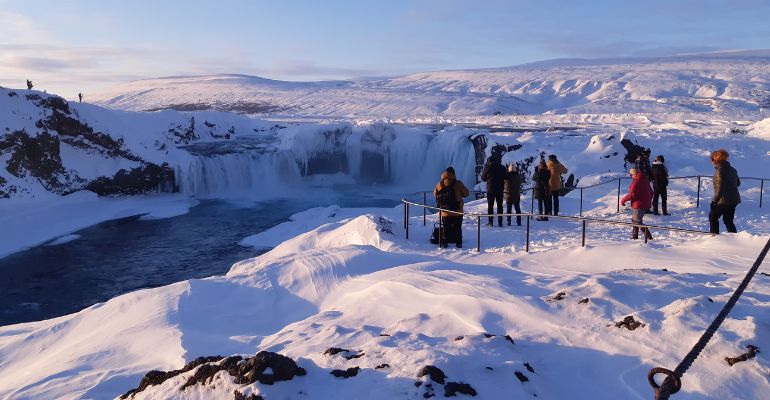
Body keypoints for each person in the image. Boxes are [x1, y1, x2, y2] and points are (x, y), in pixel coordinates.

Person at [433, 167, 470, 248]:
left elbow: (435, 194)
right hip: (457, 211)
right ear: (454, 174)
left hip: (445, 211)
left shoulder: (440, 184)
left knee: (446, 227)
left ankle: (444, 243)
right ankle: (459, 243)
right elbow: (466, 193)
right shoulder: (458, 184)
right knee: (458, 227)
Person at [709, 149, 740, 234]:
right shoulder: (733, 169)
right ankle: (734, 239)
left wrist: (714, 201)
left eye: (712, 160)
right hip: (734, 199)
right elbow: (738, 183)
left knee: (713, 217)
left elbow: (719, 189)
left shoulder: (719, 171)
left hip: (724, 200)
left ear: (715, 160)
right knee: (728, 220)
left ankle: (714, 238)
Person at [621, 167, 654, 240]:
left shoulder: (637, 181)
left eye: (631, 175)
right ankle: (634, 237)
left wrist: (623, 200)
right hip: (643, 204)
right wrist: (647, 201)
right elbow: (651, 192)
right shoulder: (644, 179)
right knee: (634, 220)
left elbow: (632, 194)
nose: (631, 176)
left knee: (637, 222)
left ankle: (649, 238)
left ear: (634, 174)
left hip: (638, 204)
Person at [481, 156, 507, 227]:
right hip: (499, 189)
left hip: (490, 189)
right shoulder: (502, 167)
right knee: (500, 206)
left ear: (489, 161)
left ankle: (490, 222)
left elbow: (483, 178)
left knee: (490, 206)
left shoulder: (488, 167)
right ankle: (500, 222)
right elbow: (506, 177)